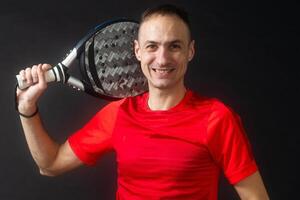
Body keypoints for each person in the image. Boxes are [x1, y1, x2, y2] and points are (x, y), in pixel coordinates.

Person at [16, 4, 269, 200]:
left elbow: (256, 196)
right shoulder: (118, 114)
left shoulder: (217, 118)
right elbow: (50, 164)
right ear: (137, 51)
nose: (162, 58)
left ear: (190, 51)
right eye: (152, 46)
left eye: (174, 46)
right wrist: (27, 109)